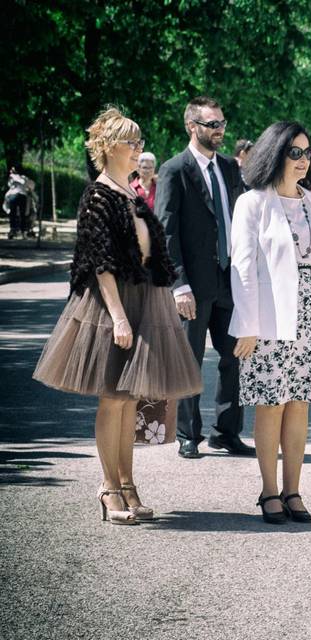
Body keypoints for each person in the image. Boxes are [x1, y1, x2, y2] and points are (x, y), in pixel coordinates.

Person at [33, 106, 202, 525]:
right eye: (133, 142)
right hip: (114, 304)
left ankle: (128, 484)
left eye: (140, 142)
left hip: (144, 296)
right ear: (109, 148)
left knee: (129, 401)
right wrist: (119, 317)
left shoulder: (132, 193)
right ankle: (109, 488)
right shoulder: (98, 194)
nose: (139, 148)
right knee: (113, 399)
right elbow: (99, 262)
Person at [229, 121, 311, 524]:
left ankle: (293, 490)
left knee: (300, 405)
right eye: (294, 153)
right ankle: (269, 492)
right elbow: (243, 267)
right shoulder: (252, 202)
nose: (303, 161)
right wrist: (247, 323)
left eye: (306, 152)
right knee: (271, 405)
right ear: (275, 154)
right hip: (268, 318)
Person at [155, 96, 254, 459]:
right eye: (212, 124)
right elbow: (165, 233)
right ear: (192, 127)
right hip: (193, 285)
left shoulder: (230, 168)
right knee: (190, 360)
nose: (220, 131)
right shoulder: (174, 170)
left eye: (222, 124)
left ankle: (226, 433)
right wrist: (178, 285)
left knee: (235, 359)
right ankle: (187, 434)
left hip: (232, 281)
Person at [4, 166, 36, 239]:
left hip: (14, 195)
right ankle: (22, 232)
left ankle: (13, 230)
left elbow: (10, 185)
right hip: (21, 195)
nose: (10, 171)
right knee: (22, 215)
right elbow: (30, 185)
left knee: (13, 214)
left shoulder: (13, 177)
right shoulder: (22, 177)